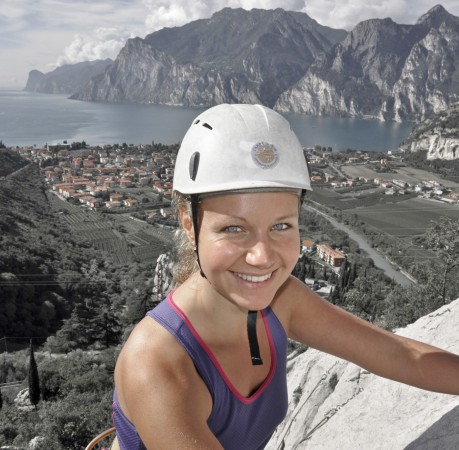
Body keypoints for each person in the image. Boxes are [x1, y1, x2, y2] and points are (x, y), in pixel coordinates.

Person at [113, 104, 459, 450]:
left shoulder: (282, 300)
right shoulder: (157, 361)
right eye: (234, 228)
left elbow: (400, 355)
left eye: (281, 226)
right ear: (190, 225)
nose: (262, 257)